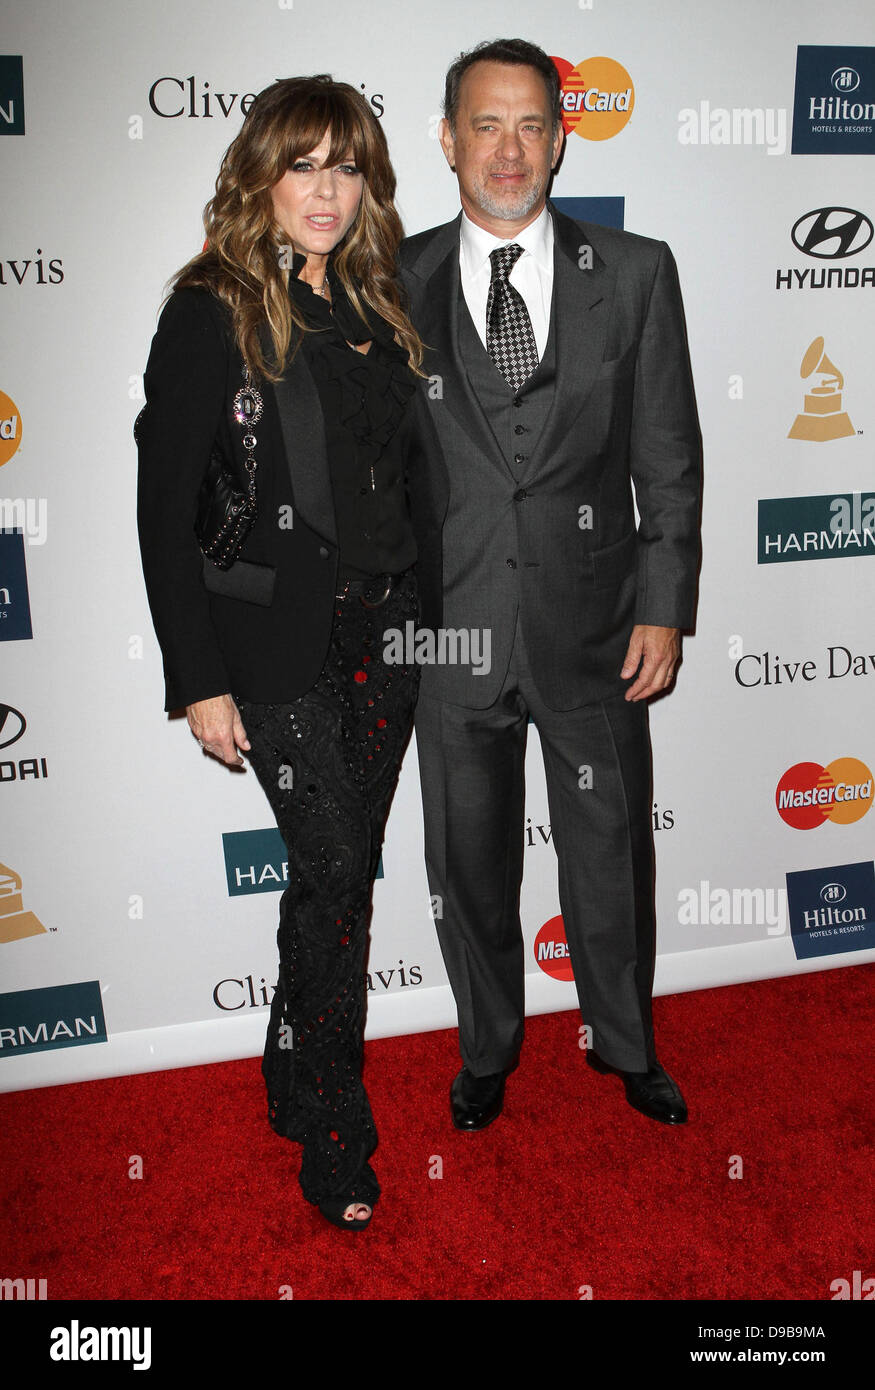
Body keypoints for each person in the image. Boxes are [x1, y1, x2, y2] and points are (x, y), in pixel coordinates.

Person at [136, 75, 432, 1229]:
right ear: (260, 174)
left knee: (333, 875)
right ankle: (335, 1124)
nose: (326, 188)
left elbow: (411, 481)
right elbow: (164, 509)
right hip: (273, 643)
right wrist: (198, 675)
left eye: (346, 165)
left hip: (392, 627)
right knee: (332, 872)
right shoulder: (209, 309)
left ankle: (283, 1058)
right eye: (304, 162)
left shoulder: (377, 300)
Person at [399, 39, 702, 1132]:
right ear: (447, 139)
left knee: (609, 859)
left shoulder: (631, 273)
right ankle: (486, 1048)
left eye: (530, 124)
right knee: (466, 866)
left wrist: (664, 602)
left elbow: (665, 455)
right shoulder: (392, 280)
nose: (509, 148)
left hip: (598, 629)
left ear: (561, 138)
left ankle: (623, 1043)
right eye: (485, 123)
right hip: (449, 639)